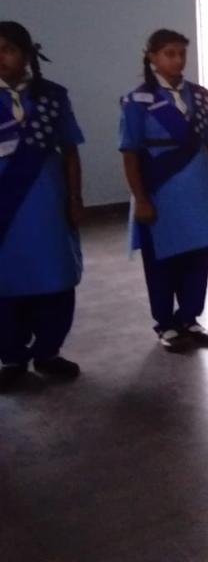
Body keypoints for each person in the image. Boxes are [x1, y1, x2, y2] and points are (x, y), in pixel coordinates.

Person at [119, 29, 208, 351]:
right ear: (152, 57)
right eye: (170, 53)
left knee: (198, 254)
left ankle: (189, 317)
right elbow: (130, 153)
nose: (178, 60)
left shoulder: (199, 96)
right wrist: (141, 198)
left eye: (182, 53)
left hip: (198, 189)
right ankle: (165, 323)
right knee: (163, 258)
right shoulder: (137, 100)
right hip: (161, 189)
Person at [0, 22, 84, 391]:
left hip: (47, 198)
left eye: (8, 49)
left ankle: (48, 351)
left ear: (27, 53)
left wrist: (75, 198)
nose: (0, 57)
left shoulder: (52, 96)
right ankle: (12, 356)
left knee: (54, 275)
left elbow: (70, 151)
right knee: (6, 278)